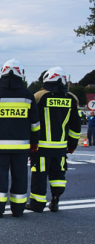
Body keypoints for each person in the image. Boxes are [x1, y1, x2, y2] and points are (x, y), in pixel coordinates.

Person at [0, 59, 40, 218]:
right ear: (21, 74)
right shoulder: (28, 95)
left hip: (0, 145)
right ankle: (18, 209)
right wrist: (35, 141)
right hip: (22, 146)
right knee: (20, 176)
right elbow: (35, 123)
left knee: (0, 176)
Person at [26, 68, 81, 213]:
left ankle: (37, 204)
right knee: (58, 175)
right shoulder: (72, 98)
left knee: (39, 174)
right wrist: (72, 144)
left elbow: (31, 120)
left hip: (41, 147)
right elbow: (76, 125)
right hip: (61, 147)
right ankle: (55, 200)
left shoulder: (39, 96)